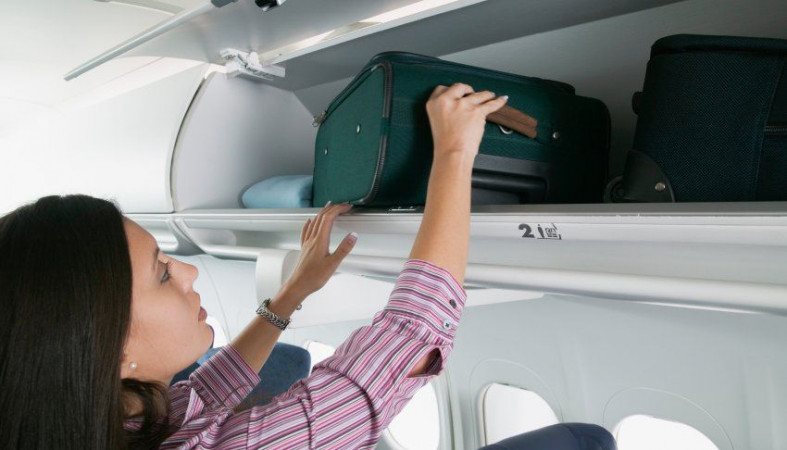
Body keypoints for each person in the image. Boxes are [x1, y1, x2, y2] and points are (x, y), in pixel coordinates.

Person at [0, 83, 507, 449]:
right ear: (109, 348)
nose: (189, 272)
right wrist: (454, 150)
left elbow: (206, 395)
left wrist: (292, 294)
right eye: (162, 274)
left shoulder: (125, 419)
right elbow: (406, 343)